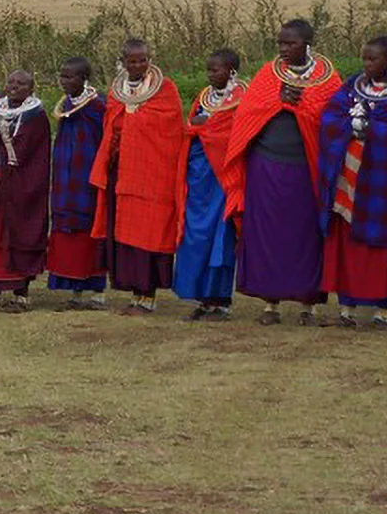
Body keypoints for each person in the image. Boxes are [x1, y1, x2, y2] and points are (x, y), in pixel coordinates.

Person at [226, 19, 342, 326]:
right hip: (267, 166)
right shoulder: (268, 74)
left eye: (290, 43)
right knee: (267, 233)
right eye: (280, 43)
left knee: (306, 234)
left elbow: (333, 119)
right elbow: (247, 113)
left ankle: (309, 305)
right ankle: (270, 304)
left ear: (307, 44)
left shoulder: (327, 80)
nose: (283, 49)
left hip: (306, 169)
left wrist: (302, 105)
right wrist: (276, 102)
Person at [317, 37, 387, 329]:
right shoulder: (352, 86)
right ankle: (346, 308)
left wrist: (372, 128)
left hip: (384, 187)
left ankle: (381, 311)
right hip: (348, 179)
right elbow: (330, 117)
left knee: (383, 245)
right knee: (346, 241)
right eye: (365, 59)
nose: (366, 65)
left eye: (373, 60)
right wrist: (352, 125)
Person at [91, 40, 186, 316]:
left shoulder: (164, 88)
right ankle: (134, 294)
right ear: (122, 62)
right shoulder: (117, 90)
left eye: (143, 60)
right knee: (123, 231)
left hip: (152, 173)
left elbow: (169, 127)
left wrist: (131, 122)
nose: (138, 66)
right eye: (132, 61)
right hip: (120, 171)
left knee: (149, 232)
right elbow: (112, 124)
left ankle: (148, 296)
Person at [174, 50, 244, 320]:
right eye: (209, 70)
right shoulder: (203, 97)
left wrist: (207, 127)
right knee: (195, 238)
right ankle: (201, 299)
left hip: (224, 180)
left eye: (217, 70)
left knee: (221, 238)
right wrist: (198, 127)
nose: (211, 74)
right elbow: (190, 126)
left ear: (232, 71)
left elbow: (237, 133)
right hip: (199, 178)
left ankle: (221, 301)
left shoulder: (240, 99)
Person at [0, 71, 51, 313]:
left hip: (23, 187)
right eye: (11, 82)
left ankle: (21, 294)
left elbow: (35, 152)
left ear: (31, 89)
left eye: (21, 84)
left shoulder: (36, 117)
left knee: (20, 233)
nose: (14, 87)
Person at [47, 58, 108, 309]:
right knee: (65, 232)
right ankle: (74, 291)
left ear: (84, 78)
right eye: (62, 76)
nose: (64, 81)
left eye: (70, 77)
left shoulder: (96, 108)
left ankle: (96, 292)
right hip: (64, 180)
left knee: (88, 231)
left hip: (86, 180)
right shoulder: (67, 107)